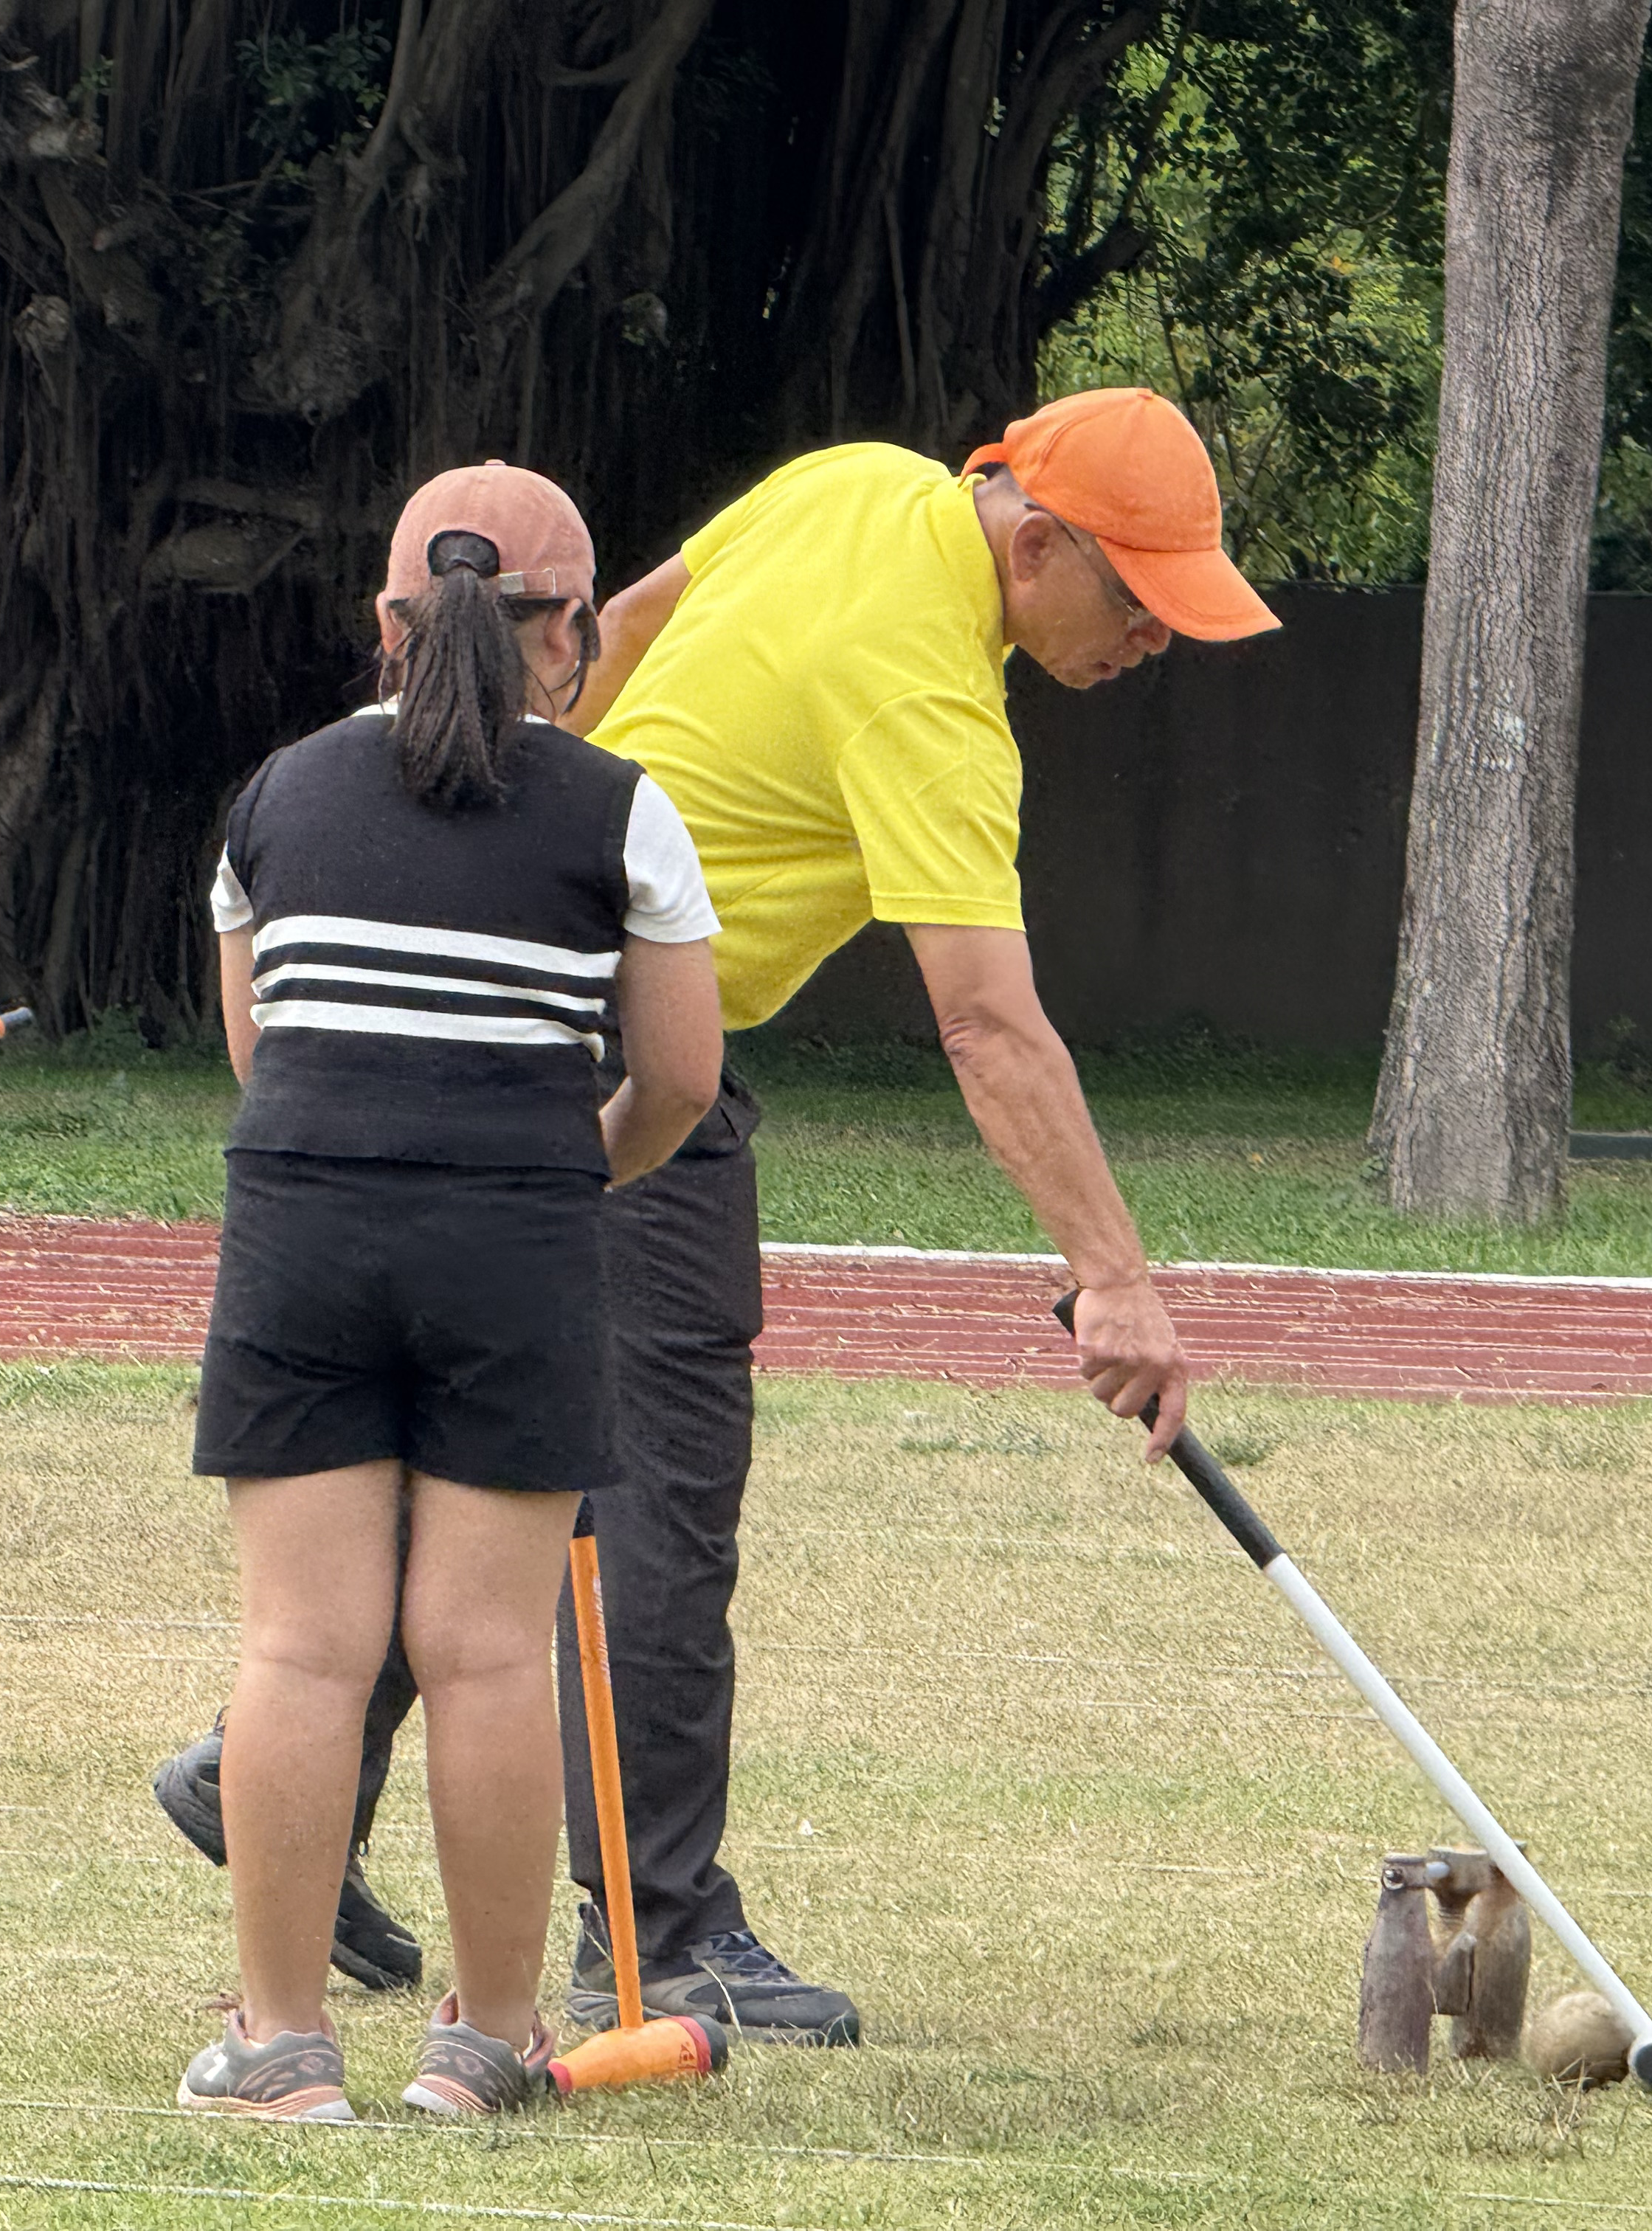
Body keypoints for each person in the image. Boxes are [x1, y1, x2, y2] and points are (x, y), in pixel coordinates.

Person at [156, 388, 1277, 2047]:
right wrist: (1117, 1284)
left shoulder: (856, 484)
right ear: (1036, 544)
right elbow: (987, 1022)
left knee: (484, 1446)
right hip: (621, 1052)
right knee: (650, 1492)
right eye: (1140, 604)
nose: (1154, 643)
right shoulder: (934, 710)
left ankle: (268, 1773)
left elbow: (628, 611)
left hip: (500, 1008)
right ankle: (660, 1932)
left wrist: (510, 803)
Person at [178, 465, 723, 2119]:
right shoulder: (623, 809)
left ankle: (279, 2052)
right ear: (573, 632)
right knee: (486, 1656)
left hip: (303, 1230)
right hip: (518, 1247)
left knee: (301, 1647)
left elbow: (260, 1053)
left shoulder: (274, 794)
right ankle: (484, 2047)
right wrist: (555, 1179)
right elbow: (680, 1082)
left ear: (388, 624)